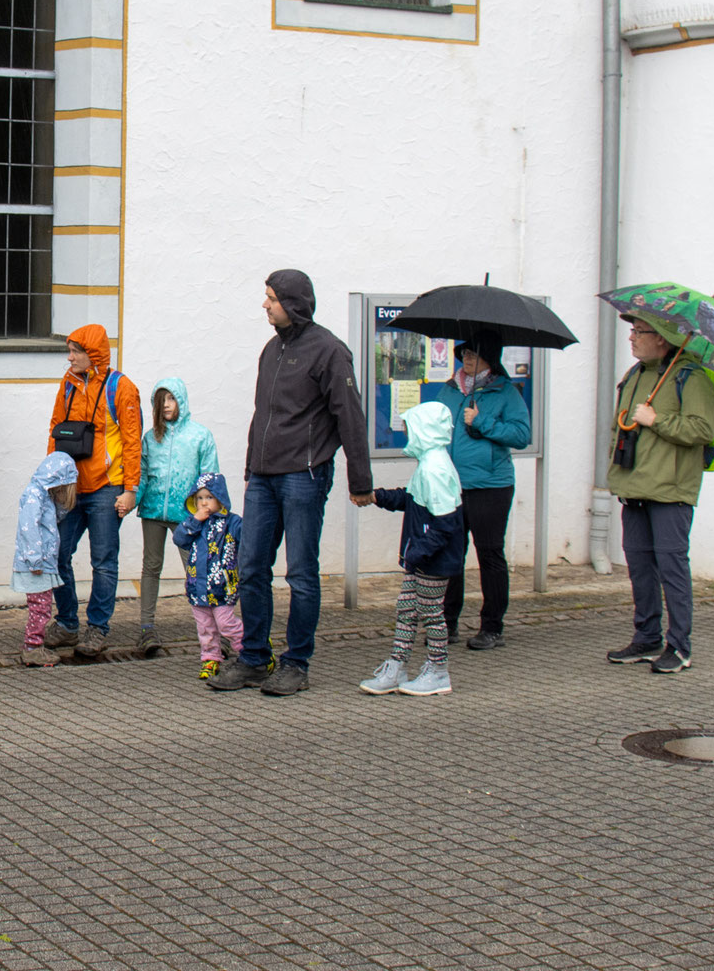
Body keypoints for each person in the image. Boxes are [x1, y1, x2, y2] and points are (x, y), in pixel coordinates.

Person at [213, 270, 372, 697]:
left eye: (271, 298)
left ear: (294, 302)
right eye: (265, 297)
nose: (264, 305)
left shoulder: (329, 351)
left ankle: (296, 663)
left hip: (304, 476)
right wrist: (250, 469)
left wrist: (361, 479)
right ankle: (253, 659)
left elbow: (349, 417)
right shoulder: (271, 350)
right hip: (263, 479)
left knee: (301, 574)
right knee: (250, 570)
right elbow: (261, 416)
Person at [604, 315, 714, 675]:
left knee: (672, 569)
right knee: (639, 567)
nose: (632, 338)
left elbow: (703, 428)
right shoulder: (635, 375)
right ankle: (647, 637)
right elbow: (619, 426)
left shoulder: (690, 377)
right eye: (633, 331)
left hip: (670, 490)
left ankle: (679, 646)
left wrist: (657, 421)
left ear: (664, 338)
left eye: (641, 332)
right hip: (634, 486)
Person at [43, 324, 143, 657]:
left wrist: (130, 489)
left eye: (75, 352)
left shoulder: (121, 387)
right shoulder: (68, 384)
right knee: (57, 555)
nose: (69, 357)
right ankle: (68, 624)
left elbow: (132, 441)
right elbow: (55, 431)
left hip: (106, 488)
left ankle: (97, 628)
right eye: (69, 351)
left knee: (103, 562)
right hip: (71, 486)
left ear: (93, 354)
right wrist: (51, 478)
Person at [358, 401, 469, 697]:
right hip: (422, 558)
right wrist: (377, 497)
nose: (406, 433)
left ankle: (438, 670)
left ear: (425, 431)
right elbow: (411, 500)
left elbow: (446, 523)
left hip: (432, 560)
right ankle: (398, 666)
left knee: (431, 613)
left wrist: (418, 552)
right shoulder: (429, 465)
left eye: (410, 428)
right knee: (406, 610)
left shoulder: (435, 469)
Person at [432, 334, 531, 649]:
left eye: (474, 354)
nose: (467, 359)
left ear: (490, 357)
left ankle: (492, 627)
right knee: (450, 555)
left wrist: (483, 421)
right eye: (464, 354)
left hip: (491, 485)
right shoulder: (450, 389)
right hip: (452, 484)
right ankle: (447, 624)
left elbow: (521, 435)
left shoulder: (505, 391)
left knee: (489, 554)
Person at [132, 378, 217, 656]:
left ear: (182, 400)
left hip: (187, 517)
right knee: (151, 566)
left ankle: (214, 631)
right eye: (161, 400)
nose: (166, 405)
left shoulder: (199, 436)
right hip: (154, 512)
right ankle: (147, 628)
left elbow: (209, 477)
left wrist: (204, 511)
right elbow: (143, 475)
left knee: (196, 569)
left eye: (171, 399)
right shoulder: (150, 437)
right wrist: (132, 498)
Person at [172, 473, 243, 680]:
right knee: (205, 627)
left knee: (226, 623)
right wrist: (194, 521)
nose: (204, 502)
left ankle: (250, 649)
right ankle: (210, 657)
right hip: (198, 587)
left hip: (222, 586)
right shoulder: (194, 523)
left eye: (209, 497)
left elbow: (247, 536)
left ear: (220, 499)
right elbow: (179, 538)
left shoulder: (232, 522)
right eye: (200, 498)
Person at [15, 452, 79, 668]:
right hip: (37, 565)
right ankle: (32, 648)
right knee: (40, 608)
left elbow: (52, 521)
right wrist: (34, 560)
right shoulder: (34, 495)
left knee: (41, 607)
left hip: (44, 564)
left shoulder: (45, 498)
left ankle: (35, 645)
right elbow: (29, 528)